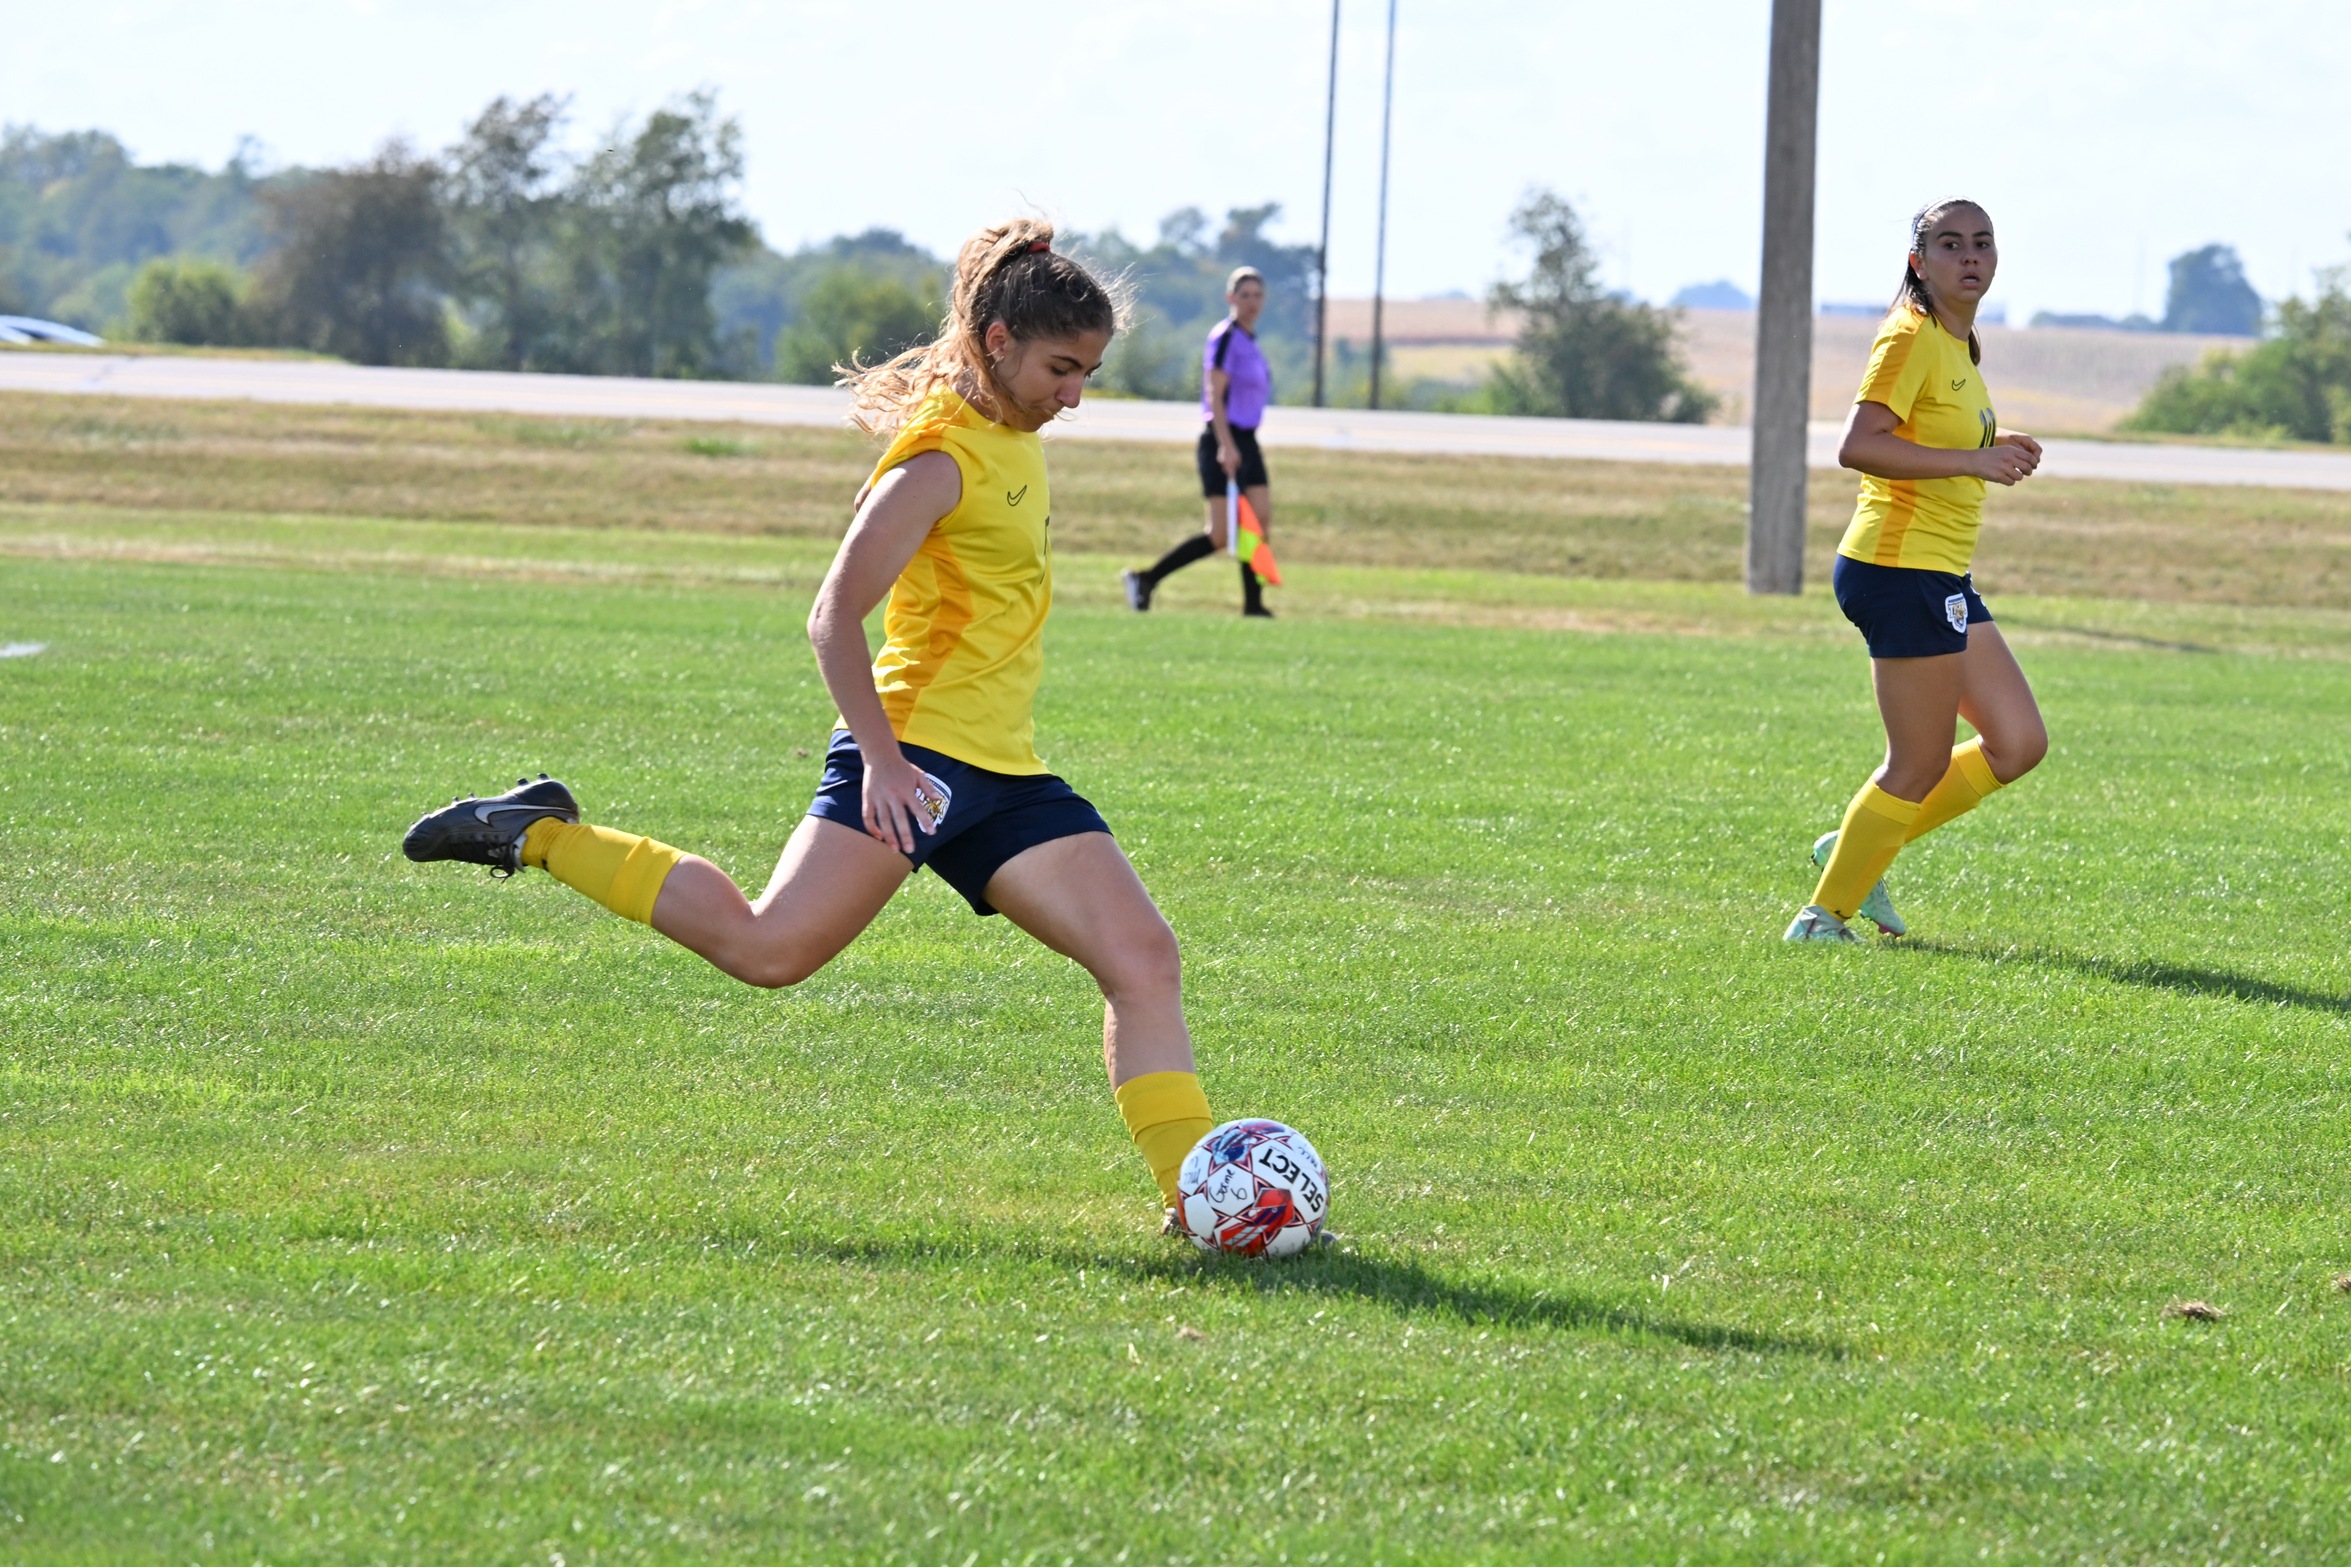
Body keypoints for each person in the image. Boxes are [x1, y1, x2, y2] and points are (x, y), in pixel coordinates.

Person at [400, 220, 1216, 1221]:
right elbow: (832, 618)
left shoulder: (1012, 436)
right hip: (913, 754)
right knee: (767, 949)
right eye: (1061, 368)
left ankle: (1200, 1200)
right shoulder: (934, 461)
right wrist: (880, 761)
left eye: (1086, 372)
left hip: (1003, 772)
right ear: (997, 340)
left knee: (1143, 958)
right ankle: (538, 834)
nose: (1074, 395)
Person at [1785, 198, 2050, 944]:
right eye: (1949, 244)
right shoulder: (1906, 337)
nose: (1969, 256)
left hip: (1939, 574)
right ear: (1919, 263)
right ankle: (1821, 916)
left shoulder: (1956, 342)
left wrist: (1993, 440)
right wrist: (1973, 459)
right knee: (1920, 759)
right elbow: (1858, 445)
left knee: (2017, 743)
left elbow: (1931, 430)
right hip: (1896, 569)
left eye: (1981, 243)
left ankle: (1853, 848)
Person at [1123, 266, 1277, 618]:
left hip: (1248, 440)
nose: (1252, 302)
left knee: (1259, 521)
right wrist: (1226, 444)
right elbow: (1214, 393)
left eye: (1257, 295)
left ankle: (1253, 605)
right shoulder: (1224, 337)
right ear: (1231, 298)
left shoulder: (1251, 342)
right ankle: (1146, 579)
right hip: (1223, 439)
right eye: (1245, 295)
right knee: (1221, 533)